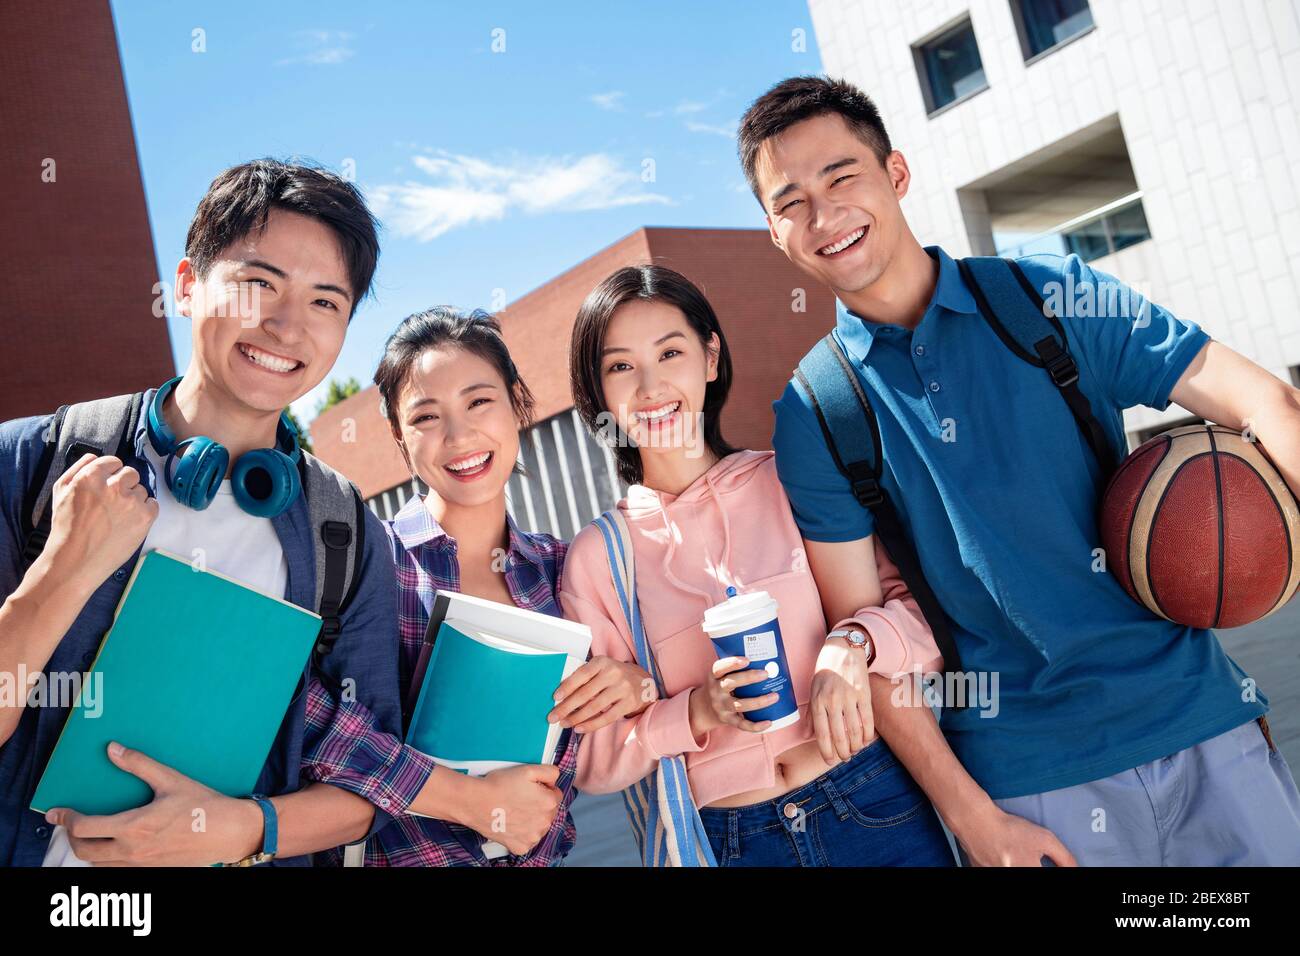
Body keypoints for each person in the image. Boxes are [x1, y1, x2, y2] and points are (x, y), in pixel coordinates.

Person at [738, 75, 1300, 865]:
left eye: (842, 177)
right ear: (772, 231)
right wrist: (973, 819)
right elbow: (867, 640)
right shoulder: (815, 410)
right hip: (1029, 786)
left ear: (896, 174)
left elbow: (1265, 401)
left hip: (1201, 720)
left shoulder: (1050, 298)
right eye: (789, 202)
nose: (823, 215)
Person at [0, 159, 416, 866]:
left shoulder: (342, 530)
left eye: (325, 303)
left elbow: (371, 786)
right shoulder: (31, 463)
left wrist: (241, 829)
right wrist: (65, 569)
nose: (288, 327)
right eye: (259, 284)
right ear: (187, 287)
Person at [558, 264, 955, 866]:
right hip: (736, 841)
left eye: (671, 353)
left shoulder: (792, 477)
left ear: (710, 358)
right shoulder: (598, 559)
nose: (650, 386)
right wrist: (695, 710)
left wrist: (855, 643)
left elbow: (922, 619)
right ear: (598, 393)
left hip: (872, 799)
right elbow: (593, 757)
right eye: (620, 366)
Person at [301, 306, 651, 865]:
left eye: (478, 401)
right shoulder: (365, 566)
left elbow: (629, 717)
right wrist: (467, 801)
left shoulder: (565, 569)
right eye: (426, 418)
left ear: (516, 403)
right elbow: (308, 718)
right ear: (398, 436)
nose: (460, 437)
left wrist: (635, 687)